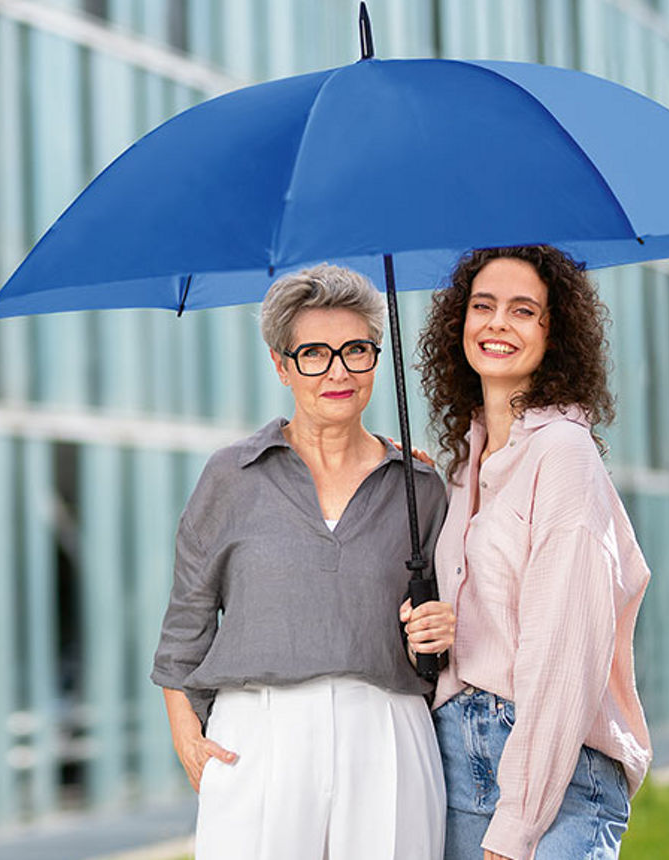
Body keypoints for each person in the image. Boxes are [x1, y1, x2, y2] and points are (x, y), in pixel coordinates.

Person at [151, 264, 456, 859]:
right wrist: (186, 733)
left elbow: (445, 629)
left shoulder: (421, 487)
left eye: (356, 350)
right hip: (258, 738)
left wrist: (442, 625)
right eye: (314, 353)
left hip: (388, 734)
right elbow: (185, 621)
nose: (338, 371)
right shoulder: (230, 477)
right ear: (281, 363)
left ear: (376, 357)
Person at [418, 245, 653, 860]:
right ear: (458, 323)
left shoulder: (564, 456)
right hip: (457, 753)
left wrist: (520, 820)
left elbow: (563, 651)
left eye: (524, 311)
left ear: (556, 337)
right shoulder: (466, 464)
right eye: (483, 306)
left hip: (555, 772)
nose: (497, 323)